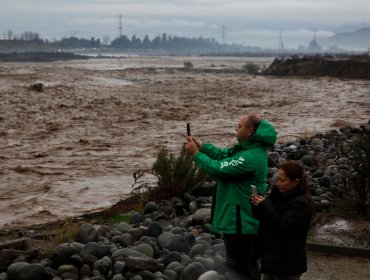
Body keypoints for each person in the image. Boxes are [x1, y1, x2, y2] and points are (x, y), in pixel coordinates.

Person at [185, 114, 277, 280]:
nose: (236, 128)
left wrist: (196, 154)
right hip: (241, 222)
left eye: (239, 126)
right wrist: (202, 147)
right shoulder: (248, 149)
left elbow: (219, 168)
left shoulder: (251, 156)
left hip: (241, 224)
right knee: (245, 267)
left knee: (241, 270)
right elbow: (224, 155)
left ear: (249, 131)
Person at [252, 161, 313, 280]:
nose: (278, 183)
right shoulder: (280, 196)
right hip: (274, 260)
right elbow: (266, 220)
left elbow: (283, 226)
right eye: (277, 180)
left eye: (282, 180)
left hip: (288, 264)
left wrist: (266, 206)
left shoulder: (301, 204)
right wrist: (258, 206)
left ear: (295, 182)